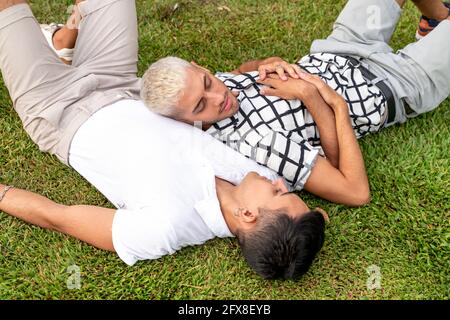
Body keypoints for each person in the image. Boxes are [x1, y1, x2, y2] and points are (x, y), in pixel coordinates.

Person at [0, 0, 328, 280]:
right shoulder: (258, 178)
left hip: (57, 108)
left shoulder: (164, 229)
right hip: (120, 80)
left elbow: (58, 217)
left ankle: (61, 46)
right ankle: (65, 42)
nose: (281, 184)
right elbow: (322, 209)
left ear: (247, 216)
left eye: (279, 194)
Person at [141, 0, 450, 206]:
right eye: (199, 106)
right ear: (185, 121)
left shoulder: (220, 88)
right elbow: (353, 191)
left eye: (208, 83)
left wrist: (265, 62)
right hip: (392, 86)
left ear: (200, 68)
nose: (218, 97)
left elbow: (238, 72)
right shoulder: (256, 144)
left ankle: (436, 21)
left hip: (339, 49)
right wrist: (314, 98)